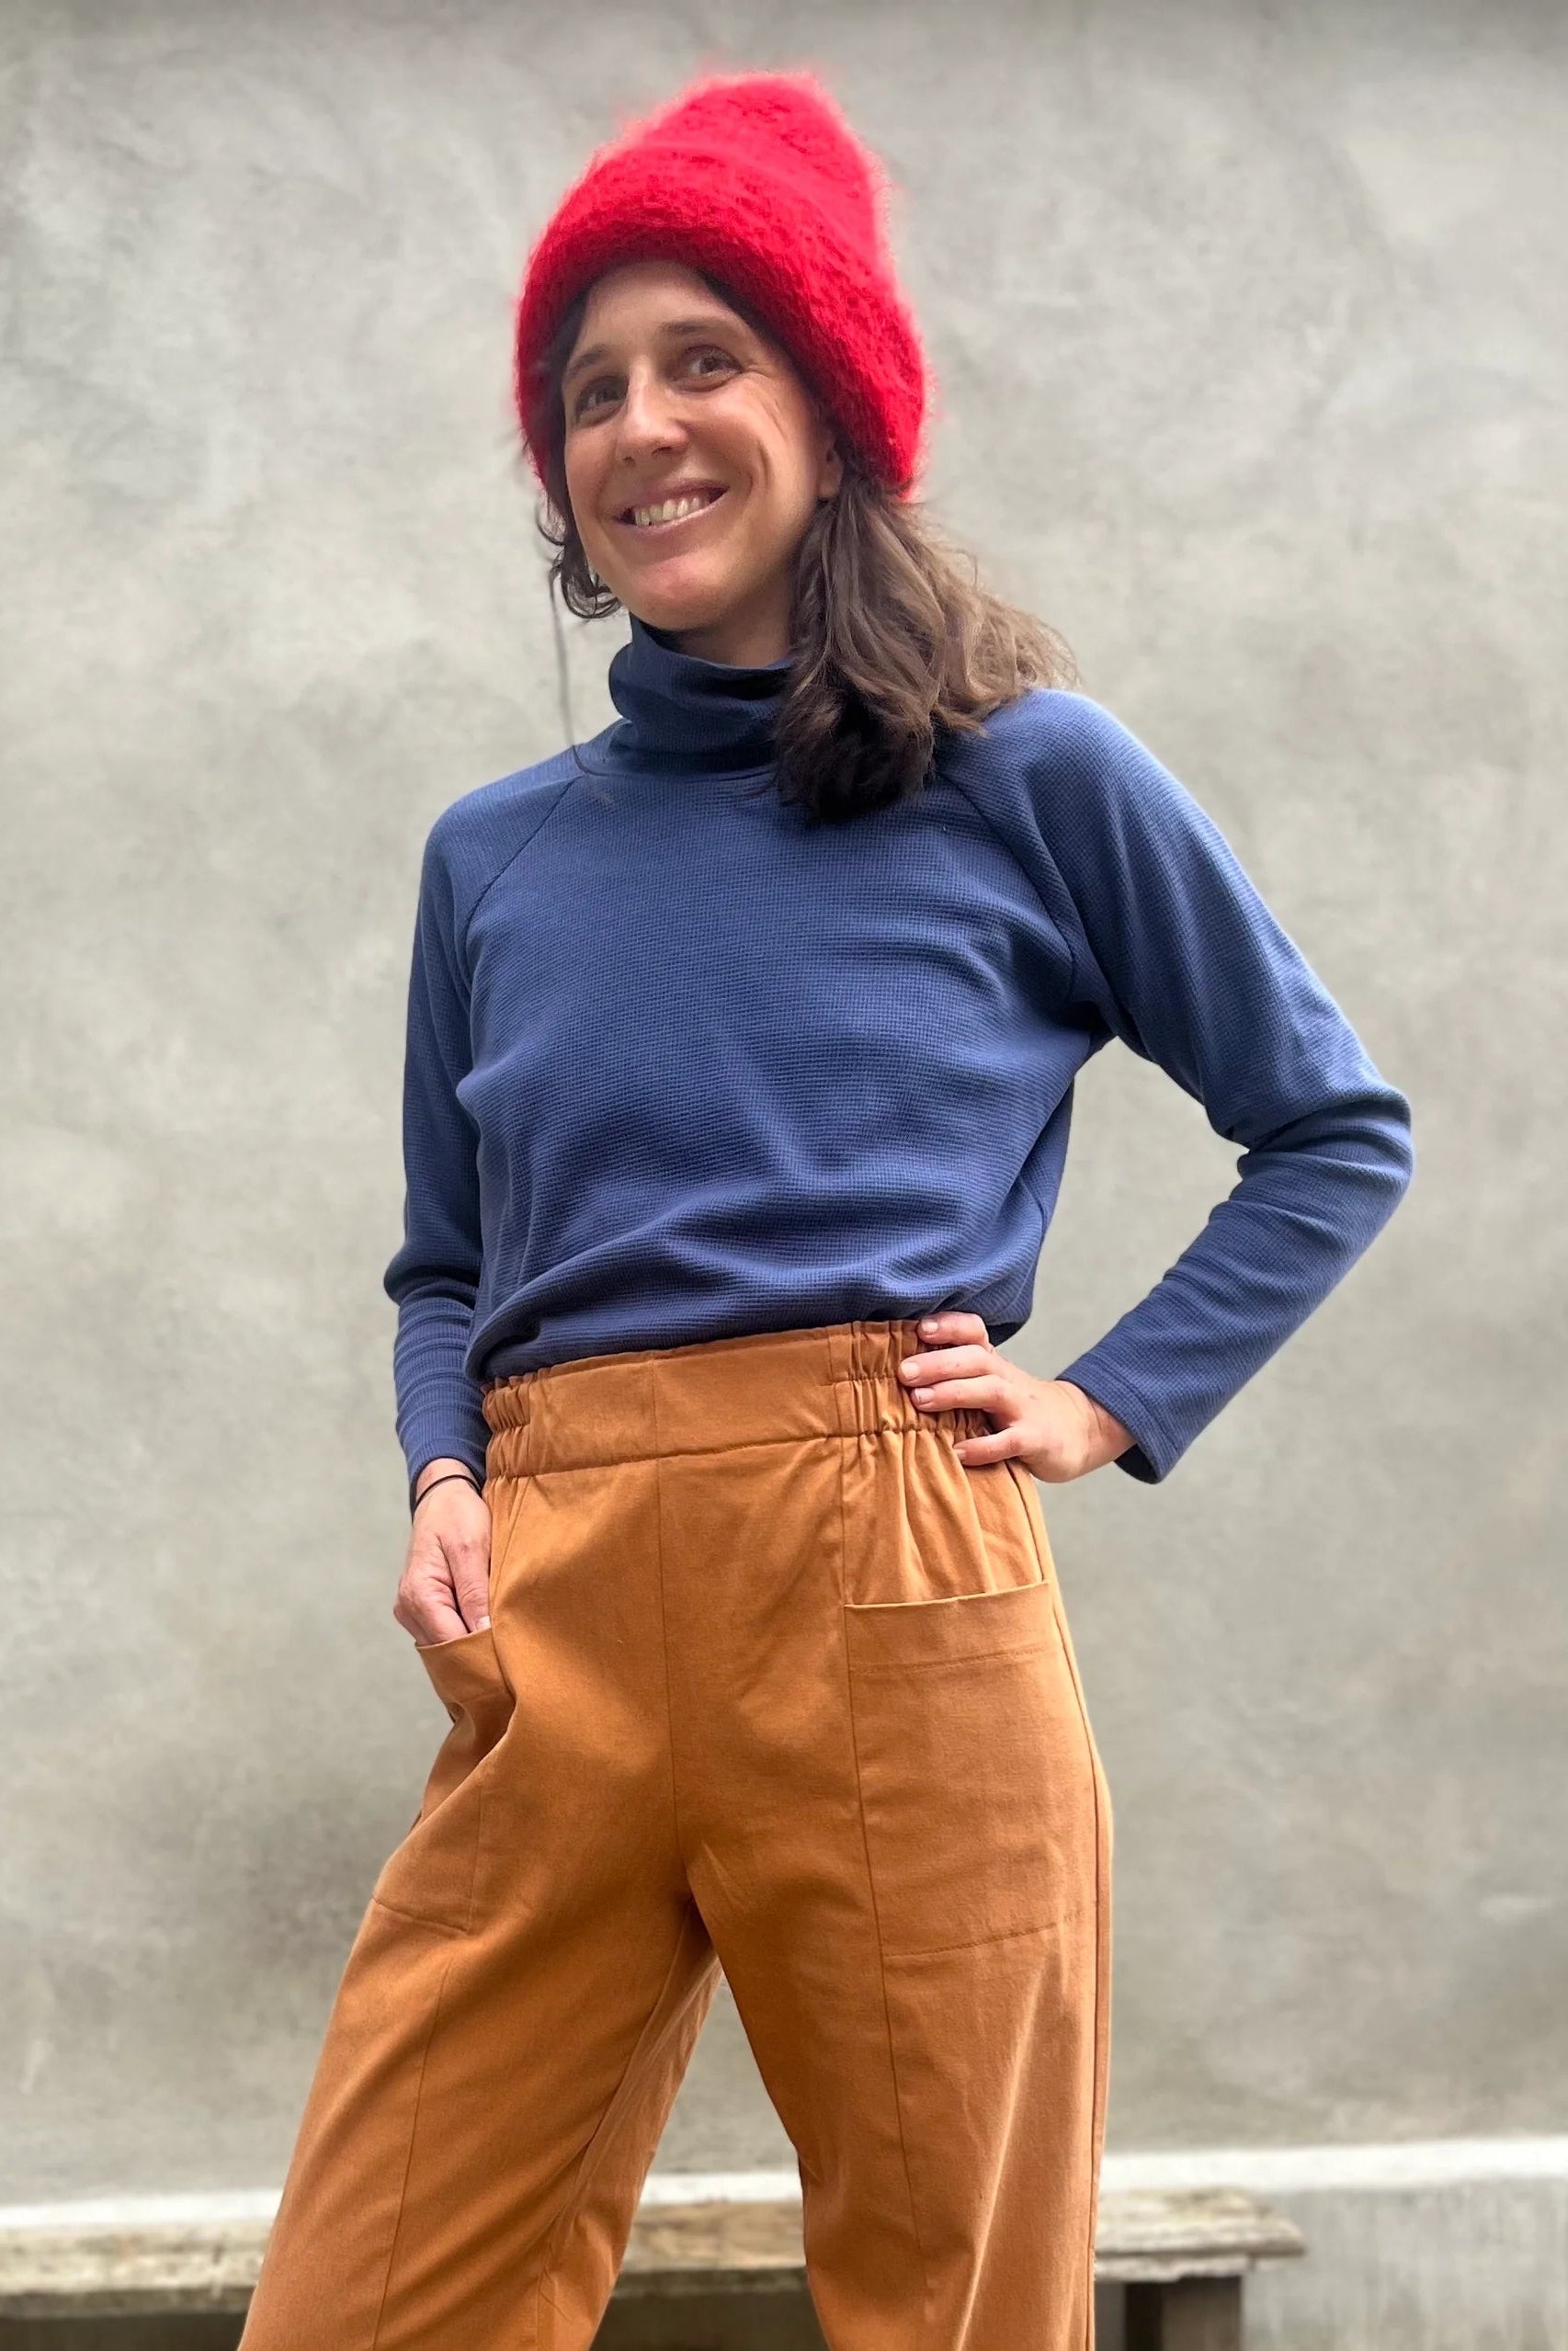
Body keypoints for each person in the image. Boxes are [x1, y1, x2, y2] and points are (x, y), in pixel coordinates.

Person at [239, 68, 1414, 2351]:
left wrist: (1100, 1400)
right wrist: (441, 1467)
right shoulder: (496, 853)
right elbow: (444, 1261)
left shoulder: (1028, 773)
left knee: (954, 2295)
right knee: (372, 2292)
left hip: (888, 1567)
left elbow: (1328, 1124)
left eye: (704, 359)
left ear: (828, 404)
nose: (640, 427)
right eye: (589, 390)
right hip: (555, 1598)